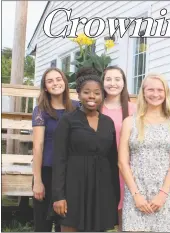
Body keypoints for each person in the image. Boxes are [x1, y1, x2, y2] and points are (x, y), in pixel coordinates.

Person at [52, 68, 119, 232]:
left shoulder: (108, 122)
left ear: (102, 95)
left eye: (97, 93)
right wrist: (59, 196)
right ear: (78, 94)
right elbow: (59, 159)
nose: (92, 96)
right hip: (73, 186)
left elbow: (112, 160)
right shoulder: (68, 121)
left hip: (101, 188)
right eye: (87, 92)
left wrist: (114, 195)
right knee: (70, 227)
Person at [119, 73, 170, 232]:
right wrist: (136, 195)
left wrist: (163, 194)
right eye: (151, 90)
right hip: (136, 195)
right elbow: (122, 162)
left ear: (166, 93)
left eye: (160, 90)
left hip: (164, 194)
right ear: (143, 92)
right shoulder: (129, 122)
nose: (155, 94)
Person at [32, 68, 79, 232]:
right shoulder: (40, 110)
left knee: (65, 223)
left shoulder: (77, 108)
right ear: (45, 87)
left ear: (65, 82)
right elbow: (38, 146)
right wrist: (37, 180)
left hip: (70, 172)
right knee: (42, 224)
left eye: (58, 79)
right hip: (47, 170)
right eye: (50, 81)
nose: (55, 83)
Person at [101, 66, 137, 229]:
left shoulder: (133, 109)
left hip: (126, 167)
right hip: (101, 167)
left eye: (117, 79)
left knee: (124, 215)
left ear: (124, 83)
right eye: (108, 79)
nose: (112, 83)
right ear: (102, 82)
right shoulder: (96, 107)